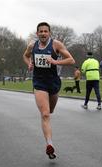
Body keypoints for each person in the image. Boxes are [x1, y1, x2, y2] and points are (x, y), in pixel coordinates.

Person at [23, 22, 75, 159]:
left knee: (50, 110)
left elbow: (71, 60)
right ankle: (49, 145)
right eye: (41, 31)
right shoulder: (32, 45)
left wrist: (55, 61)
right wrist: (29, 63)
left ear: (49, 33)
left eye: (46, 31)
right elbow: (26, 55)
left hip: (53, 82)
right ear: (37, 33)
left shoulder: (56, 45)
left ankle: (49, 141)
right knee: (45, 114)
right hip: (39, 83)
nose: (43, 33)